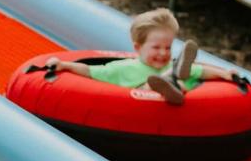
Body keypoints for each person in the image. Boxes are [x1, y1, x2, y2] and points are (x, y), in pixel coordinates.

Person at [46, 8, 237, 105]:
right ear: (138, 48)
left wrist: (226, 75)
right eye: (156, 48)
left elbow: (202, 71)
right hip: (143, 101)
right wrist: (65, 65)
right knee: (151, 84)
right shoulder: (125, 68)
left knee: (180, 74)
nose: (163, 53)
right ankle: (167, 85)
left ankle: (173, 84)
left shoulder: (170, 64)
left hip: (177, 89)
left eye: (168, 47)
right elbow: (91, 71)